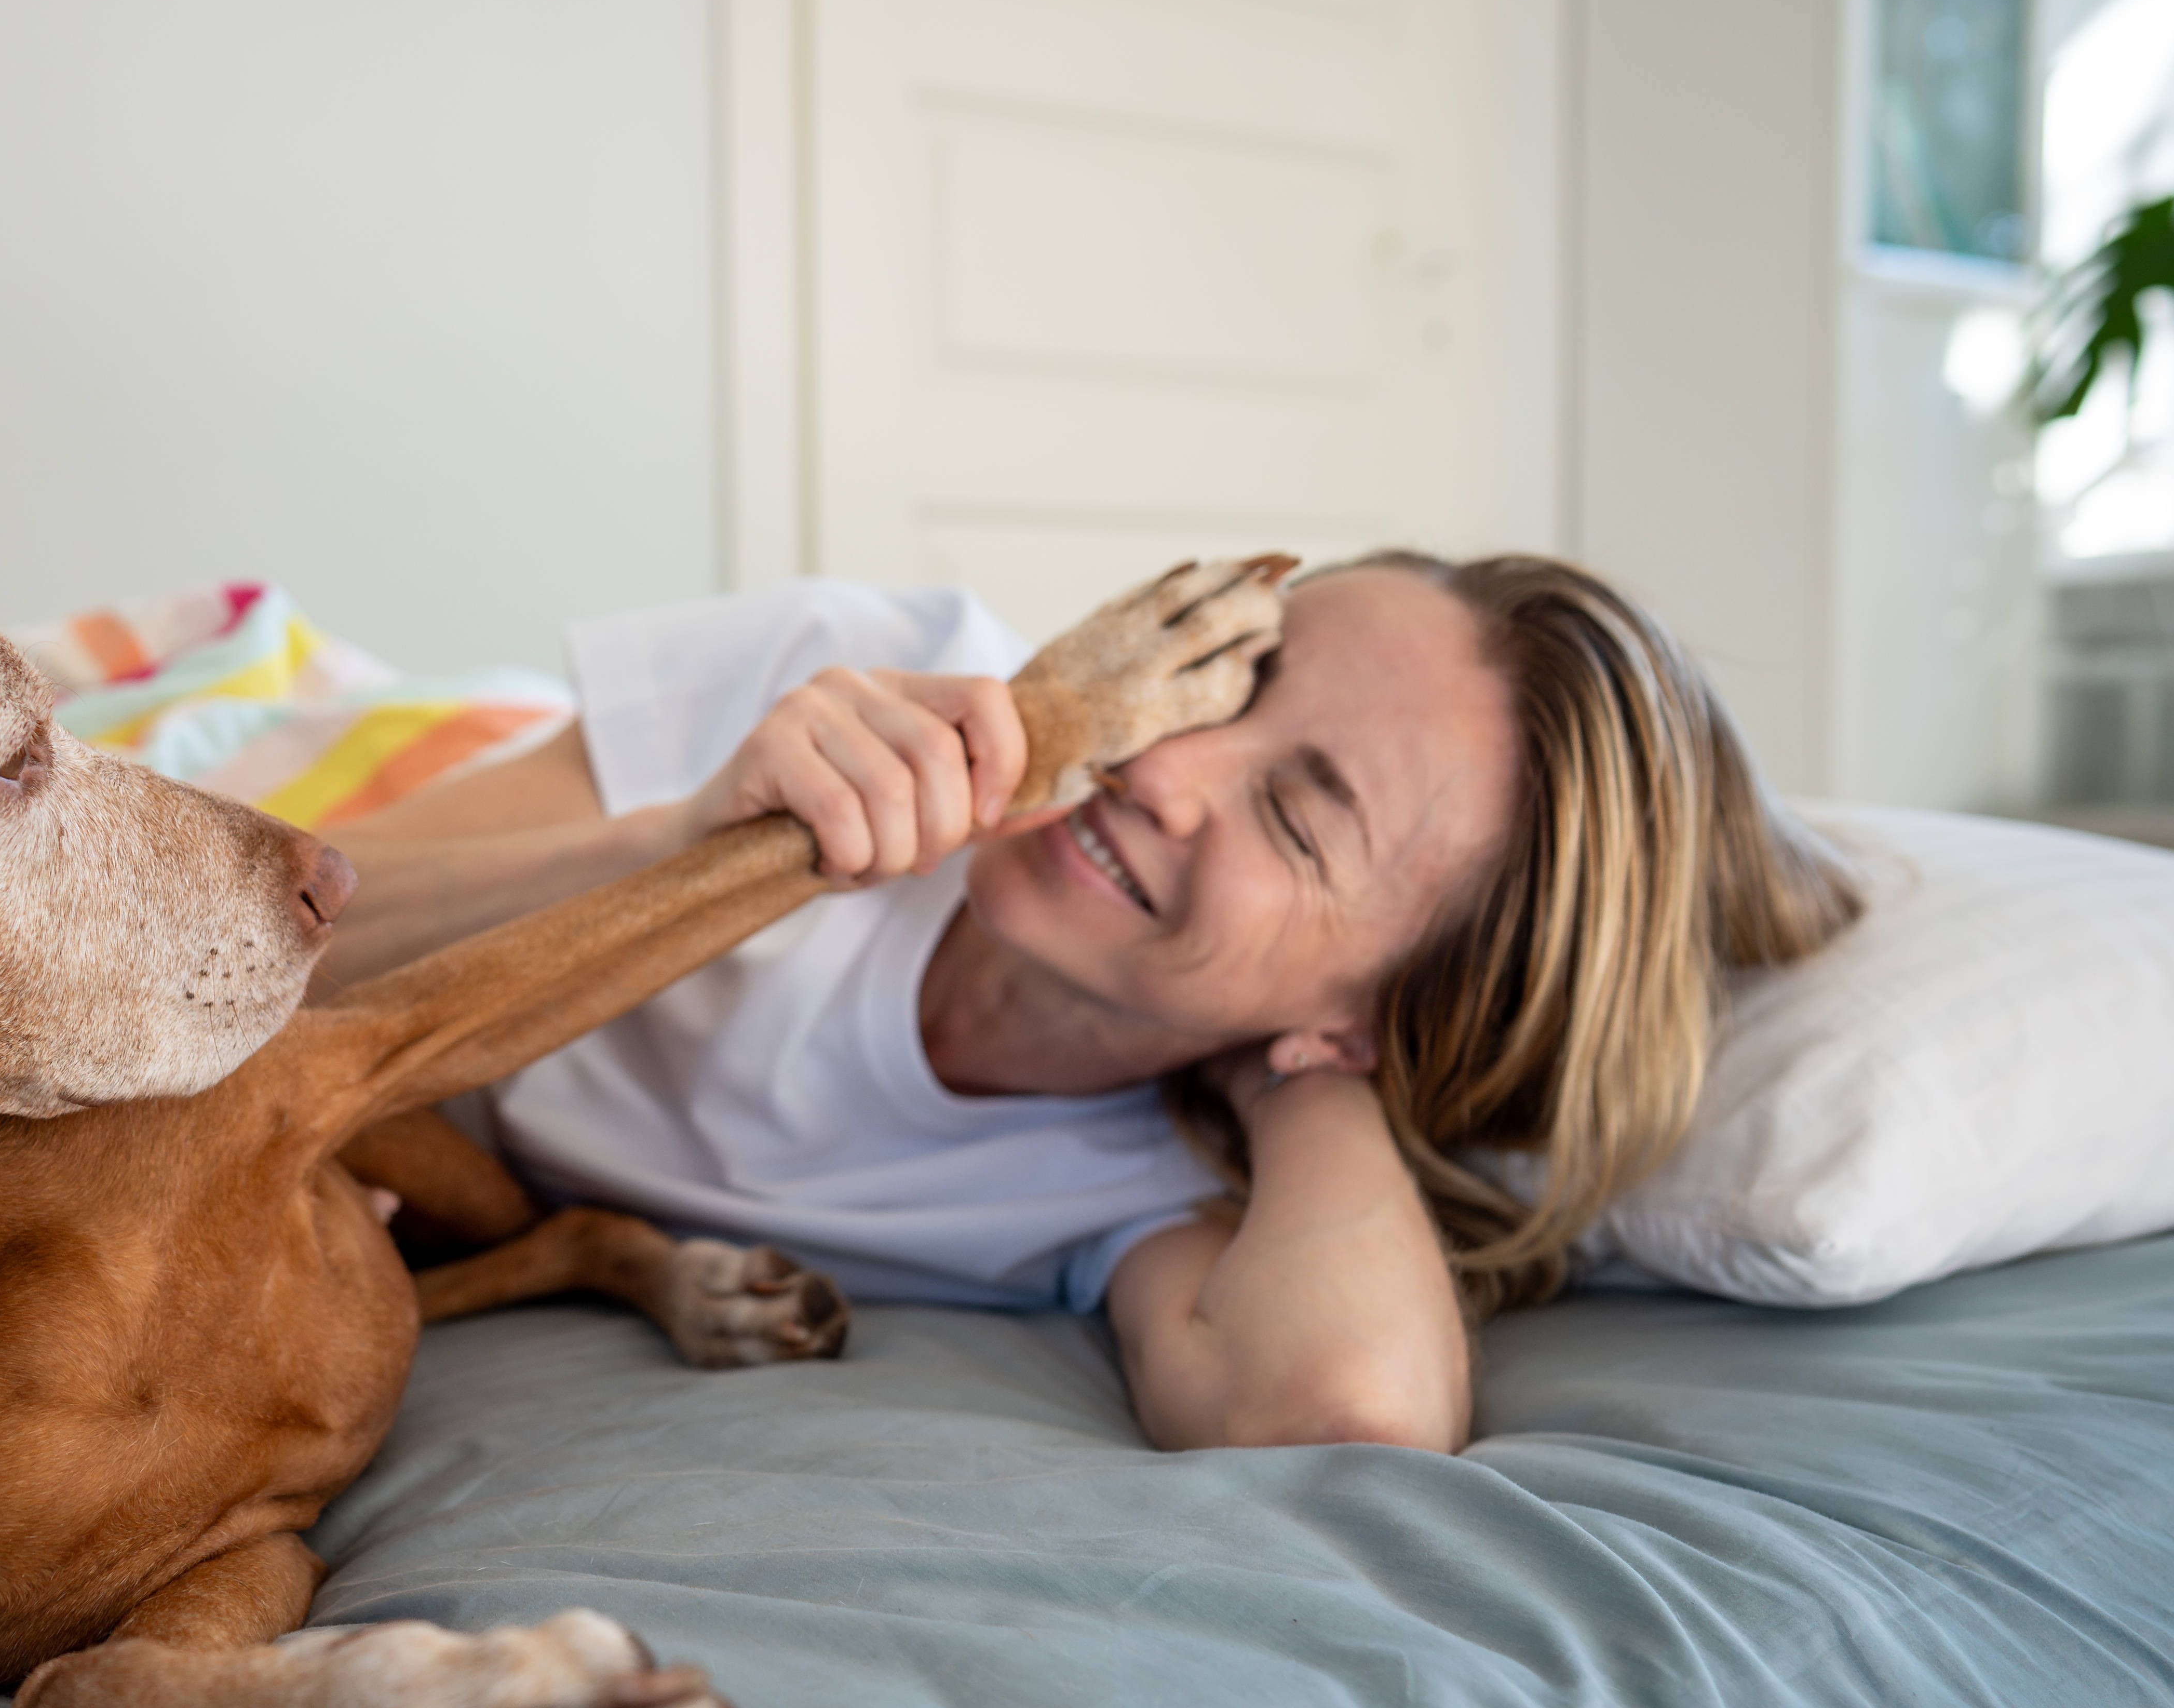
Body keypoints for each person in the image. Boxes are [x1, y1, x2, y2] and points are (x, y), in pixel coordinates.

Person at [317, 554, 1861, 1455]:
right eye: (1229, 683)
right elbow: (260, 922)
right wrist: (689, 841)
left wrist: (1310, 1068)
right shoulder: (860, 679)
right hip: (326, 791)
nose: (1160, 765)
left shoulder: (1148, 1184)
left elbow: (1347, 1404)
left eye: (1301, 821)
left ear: (1380, 1020)